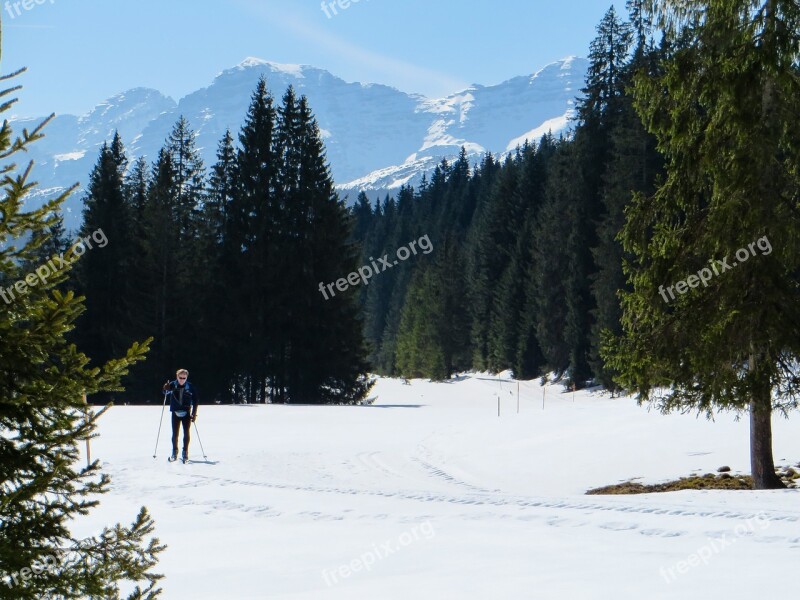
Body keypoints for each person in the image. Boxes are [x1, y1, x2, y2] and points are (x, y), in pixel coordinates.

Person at [162, 369, 199, 462]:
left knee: (186, 433)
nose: (182, 379)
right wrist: (165, 388)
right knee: (175, 434)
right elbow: (165, 393)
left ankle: (185, 452)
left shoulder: (190, 386)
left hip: (186, 413)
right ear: (177, 376)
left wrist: (194, 413)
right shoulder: (172, 384)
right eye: (180, 377)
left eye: (184, 378)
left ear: (186, 377)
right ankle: (174, 452)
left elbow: (195, 400)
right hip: (175, 413)